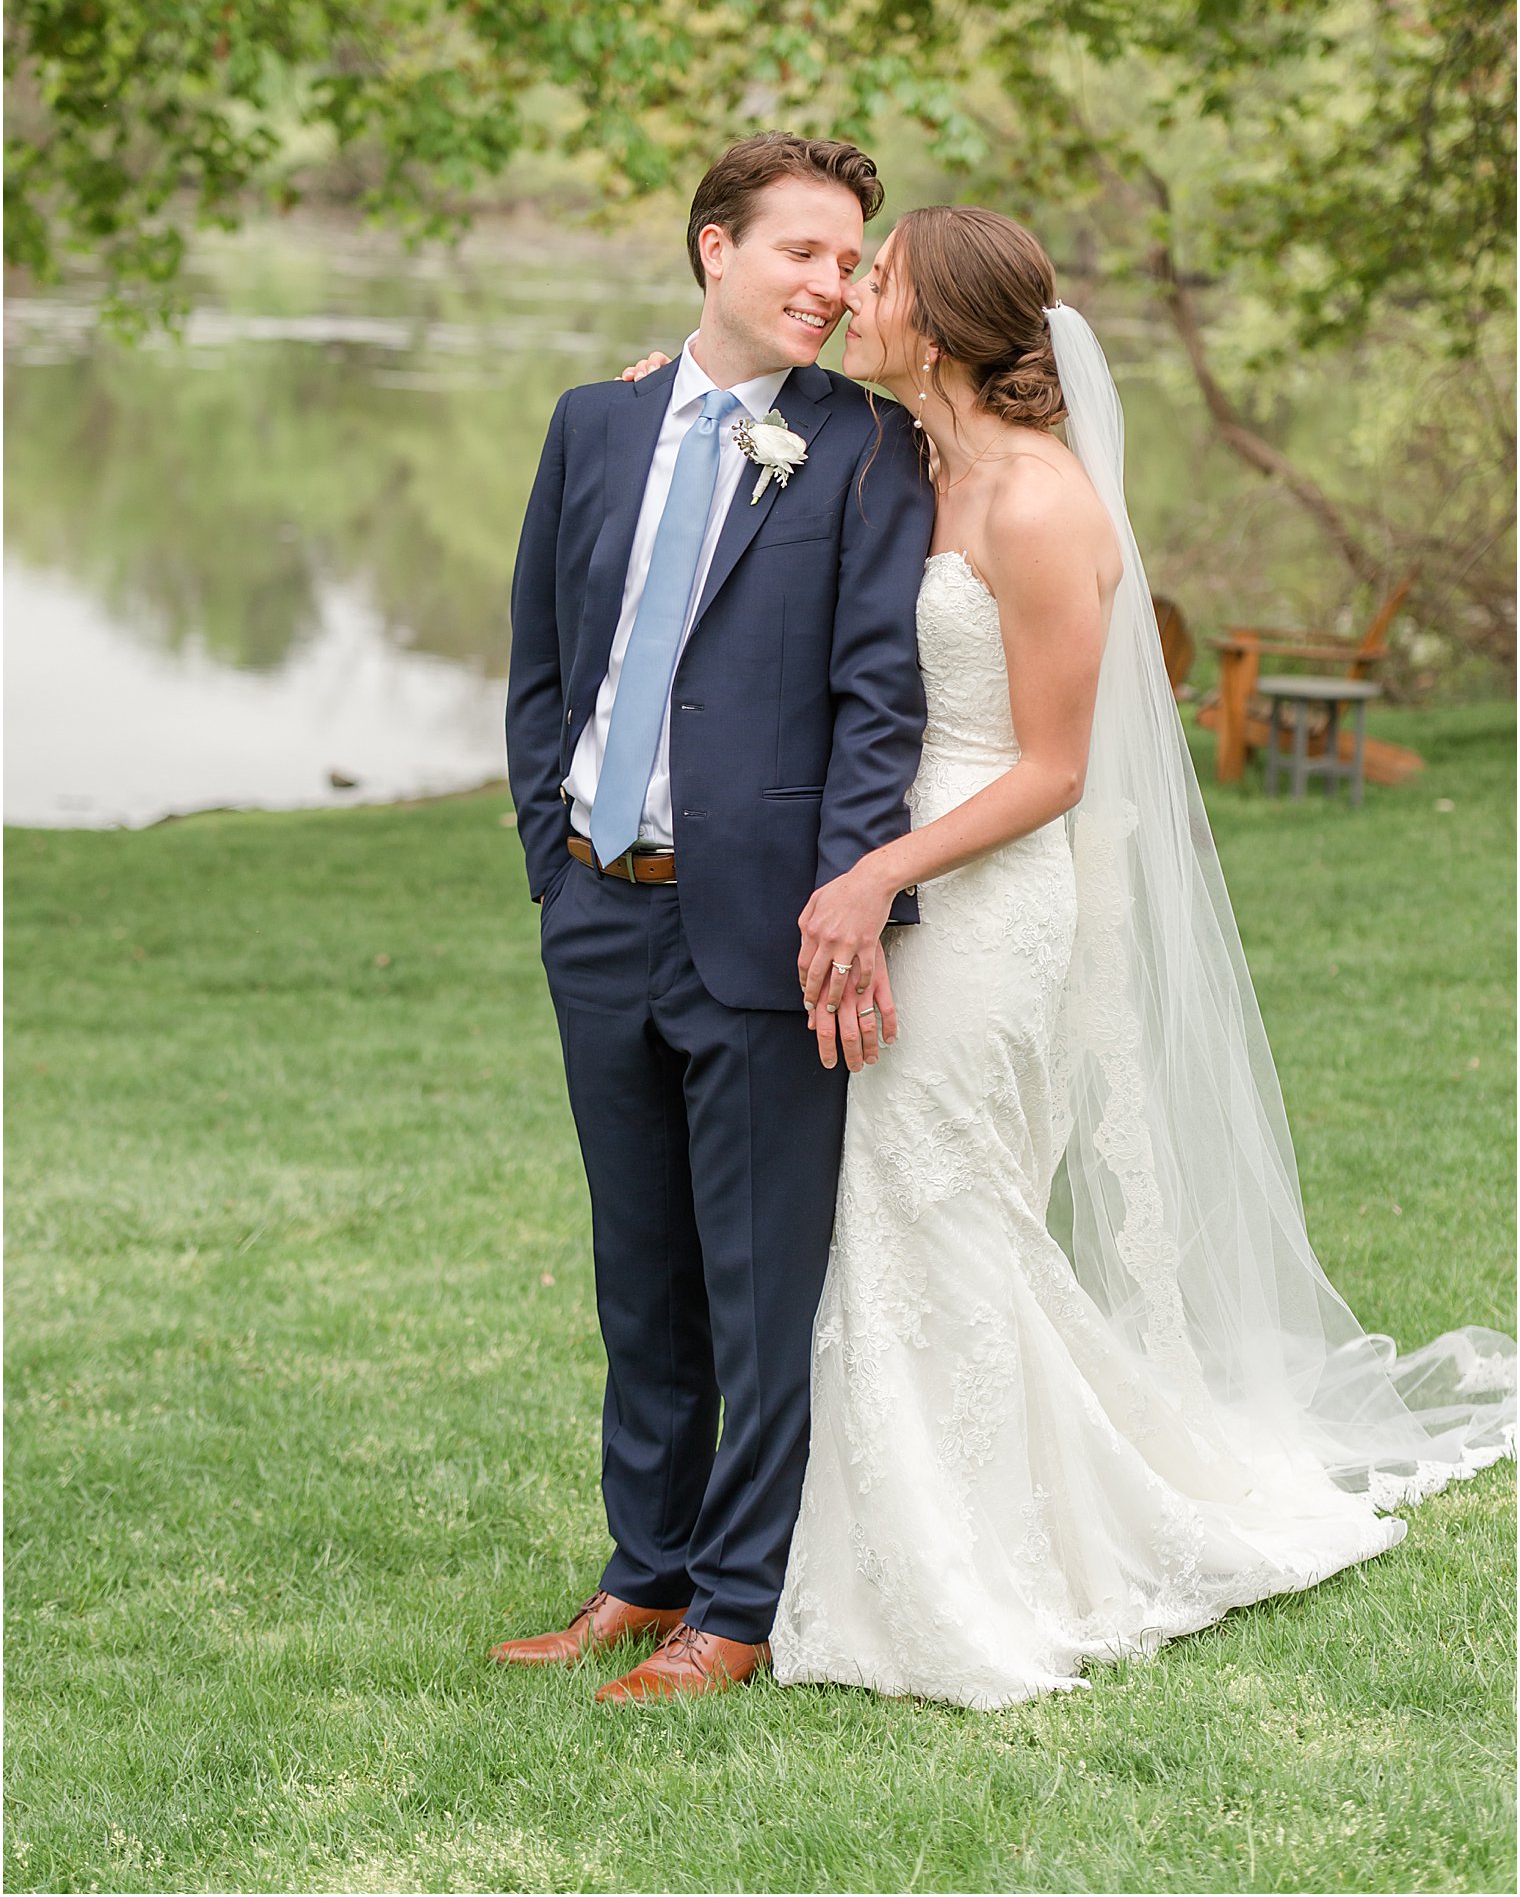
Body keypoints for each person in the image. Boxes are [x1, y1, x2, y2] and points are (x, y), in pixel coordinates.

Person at [622, 204, 1515, 1712]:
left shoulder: (1039, 504)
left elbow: (1050, 768)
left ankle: (973, 1577)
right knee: (885, 1218)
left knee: (936, 1206)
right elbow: (766, 434)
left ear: (947, 324)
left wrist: (875, 875)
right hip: (881, 881)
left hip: (985, 898)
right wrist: (676, 394)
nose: (852, 301)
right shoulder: (909, 452)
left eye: (880, 280)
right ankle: (879, 1547)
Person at [499, 133, 935, 1702]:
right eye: (803, 251)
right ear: (714, 251)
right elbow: (548, 663)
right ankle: (645, 1571)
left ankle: (737, 1613)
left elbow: (880, 700)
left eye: (849, 258)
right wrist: (555, 863)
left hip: (768, 930)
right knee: (641, 1275)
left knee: (761, 1291)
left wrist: (849, 899)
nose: (831, 282)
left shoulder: (874, 452)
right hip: (602, 909)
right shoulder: (595, 423)